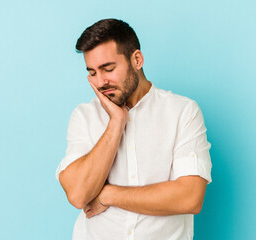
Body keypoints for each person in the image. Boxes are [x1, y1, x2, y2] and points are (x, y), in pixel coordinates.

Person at [55, 18, 212, 240]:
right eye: (92, 73)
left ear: (137, 59)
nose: (100, 82)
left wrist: (108, 194)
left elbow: (190, 197)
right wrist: (116, 123)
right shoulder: (84, 116)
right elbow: (79, 195)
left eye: (108, 69)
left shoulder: (183, 111)